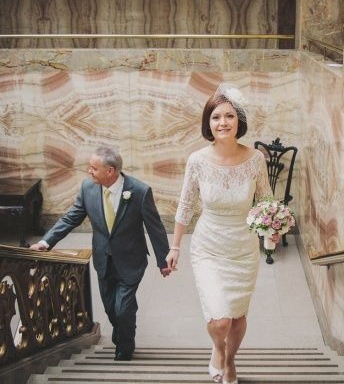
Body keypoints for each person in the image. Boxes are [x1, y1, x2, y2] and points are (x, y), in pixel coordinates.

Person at [166, 84, 277, 384]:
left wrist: (272, 230)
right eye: (216, 117)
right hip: (209, 248)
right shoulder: (197, 160)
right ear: (208, 123)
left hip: (243, 249)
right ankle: (217, 347)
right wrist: (175, 247)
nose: (223, 123)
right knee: (220, 320)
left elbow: (266, 200)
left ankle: (229, 361)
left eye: (229, 116)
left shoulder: (256, 159)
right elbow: (186, 205)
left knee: (238, 316)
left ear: (239, 121)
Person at [30, 145, 171, 361]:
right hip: (103, 259)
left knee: (123, 308)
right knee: (110, 309)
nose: (89, 172)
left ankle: (125, 346)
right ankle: (123, 329)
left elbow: (156, 228)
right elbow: (71, 218)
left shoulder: (140, 192)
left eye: (94, 168)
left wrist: (164, 260)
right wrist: (46, 241)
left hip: (131, 260)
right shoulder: (88, 189)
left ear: (110, 171)